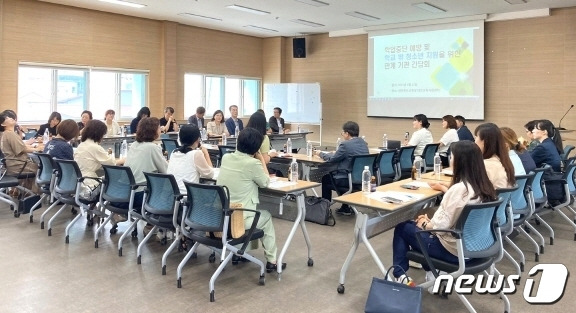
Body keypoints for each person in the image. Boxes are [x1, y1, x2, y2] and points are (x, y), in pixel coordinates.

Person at [391, 141, 497, 285]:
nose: (450, 160)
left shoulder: (459, 189)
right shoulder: (486, 186)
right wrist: (429, 222)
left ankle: (399, 275)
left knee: (403, 228)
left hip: (454, 252)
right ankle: (431, 273)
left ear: (460, 161)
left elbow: (438, 227)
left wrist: (424, 223)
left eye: (452, 157)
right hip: (479, 247)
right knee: (419, 230)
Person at [216, 127, 285, 273]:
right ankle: (272, 261)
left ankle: (240, 253)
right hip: (239, 219)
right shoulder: (252, 164)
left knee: (252, 212)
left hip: (221, 215)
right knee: (265, 216)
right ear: (256, 148)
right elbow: (265, 182)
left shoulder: (226, 157)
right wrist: (260, 159)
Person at [315, 121, 369, 216]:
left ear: (347, 133)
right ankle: (345, 207)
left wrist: (320, 153)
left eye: (343, 133)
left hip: (347, 179)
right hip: (360, 179)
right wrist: (337, 152)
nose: (343, 135)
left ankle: (325, 209)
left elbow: (332, 159)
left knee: (325, 179)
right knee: (344, 172)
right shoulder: (363, 143)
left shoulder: (345, 145)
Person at [124, 117, 168, 209]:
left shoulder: (134, 145)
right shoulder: (152, 148)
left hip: (127, 192)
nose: (161, 130)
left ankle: (150, 222)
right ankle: (156, 220)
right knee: (170, 192)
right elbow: (166, 171)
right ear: (153, 131)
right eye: (159, 128)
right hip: (142, 193)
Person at [74, 120, 124, 199]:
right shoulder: (94, 147)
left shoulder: (82, 145)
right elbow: (111, 163)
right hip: (89, 186)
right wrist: (123, 160)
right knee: (118, 184)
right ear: (99, 134)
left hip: (78, 184)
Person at [0, 110, 42, 192]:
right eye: (7, 118)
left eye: (10, 117)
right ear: (3, 124)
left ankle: (22, 192)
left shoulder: (7, 134)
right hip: (18, 166)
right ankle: (33, 194)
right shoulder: (9, 134)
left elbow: (19, 146)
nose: (10, 118)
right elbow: (23, 149)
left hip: (12, 166)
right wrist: (37, 149)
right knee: (39, 168)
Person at [166, 125, 214, 194]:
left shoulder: (174, 152)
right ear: (197, 139)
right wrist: (206, 154)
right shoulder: (196, 154)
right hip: (188, 197)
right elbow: (210, 174)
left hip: (173, 197)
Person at [474, 123, 516, 189]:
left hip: (489, 198)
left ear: (485, 142)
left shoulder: (485, 165)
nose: (474, 141)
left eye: (476, 137)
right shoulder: (504, 161)